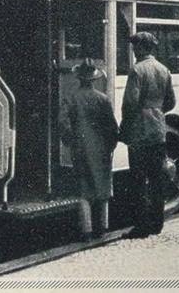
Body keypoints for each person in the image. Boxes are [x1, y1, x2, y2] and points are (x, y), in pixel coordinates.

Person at [119, 32, 176, 238]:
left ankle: (142, 226)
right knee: (156, 177)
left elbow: (130, 103)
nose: (134, 50)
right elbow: (171, 102)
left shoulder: (137, 70)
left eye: (136, 47)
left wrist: (125, 128)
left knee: (138, 179)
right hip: (158, 129)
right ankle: (157, 223)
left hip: (140, 130)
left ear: (143, 48)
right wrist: (157, 111)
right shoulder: (163, 69)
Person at [59, 59, 119, 239]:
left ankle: (86, 230)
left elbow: (63, 123)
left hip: (80, 147)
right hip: (101, 148)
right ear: (94, 79)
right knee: (103, 186)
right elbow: (112, 126)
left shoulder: (70, 98)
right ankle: (103, 228)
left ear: (79, 79)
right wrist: (110, 145)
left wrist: (70, 141)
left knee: (84, 189)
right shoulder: (103, 99)